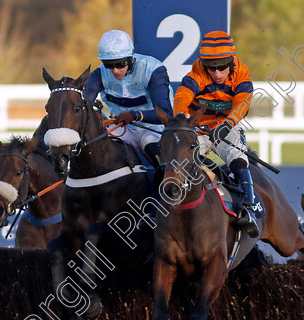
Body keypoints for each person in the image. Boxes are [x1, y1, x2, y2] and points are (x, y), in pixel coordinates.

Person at [173, 31, 261, 238]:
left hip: (226, 125)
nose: (217, 72)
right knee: (181, 157)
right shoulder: (196, 73)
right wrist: (181, 119)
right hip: (198, 126)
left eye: (222, 66)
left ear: (231, 62)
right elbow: (182, 96)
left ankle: (249, 207)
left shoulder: (242, 74)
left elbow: (243, 104)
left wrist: (227, 123)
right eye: (211, 67)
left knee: (237, 157)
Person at [84, 29, 173, 167]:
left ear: (130, 58)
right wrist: (94, 114)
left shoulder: (153, 69)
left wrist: (134, 115)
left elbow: (165, 114)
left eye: (120, 64)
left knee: (160, 160)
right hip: (121, 128)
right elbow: (82, 104)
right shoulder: (99, 74)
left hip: (154, 128)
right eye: (109, 64)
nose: (115, 70)